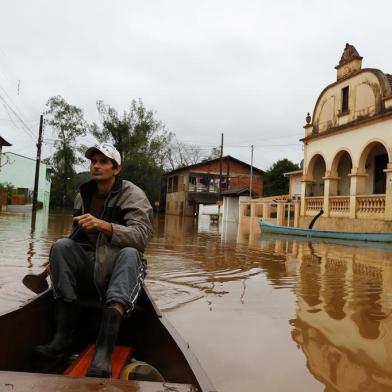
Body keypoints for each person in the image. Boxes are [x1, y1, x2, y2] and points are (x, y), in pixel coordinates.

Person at [35, 143, 153, 378]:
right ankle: (63, 338)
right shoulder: (84, 194)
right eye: (93, 161)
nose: (96, 166)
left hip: (119, 271)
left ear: (116, 168)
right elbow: (76, 235)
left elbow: (142, 236)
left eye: (103, 162)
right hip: (91, 268)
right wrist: (58, 261)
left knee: (131, 254)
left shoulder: (133, 194)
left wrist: (106, 226)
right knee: (60, 246)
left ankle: (104, 348)